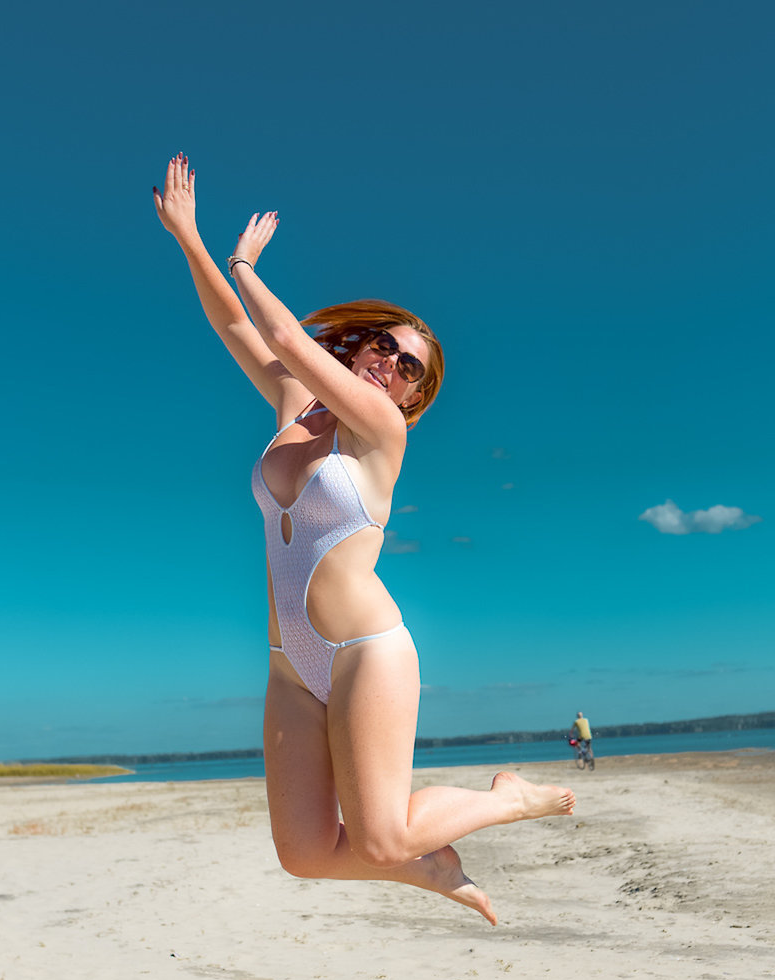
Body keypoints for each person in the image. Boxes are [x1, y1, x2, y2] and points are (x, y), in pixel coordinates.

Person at [153, 152, 575, 924]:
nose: (390, 362)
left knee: (380, 837)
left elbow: (285, 333)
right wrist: (188, 237)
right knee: (305, 852)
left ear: (413, 395)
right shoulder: (296, 404)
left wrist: (243, 261)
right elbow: (236, 325)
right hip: (289, 664)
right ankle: (430, 868)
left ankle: (509, 799)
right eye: (383, 344)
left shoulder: (381, 428)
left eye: (409, 365)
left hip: (364, 648)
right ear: (360, 346)